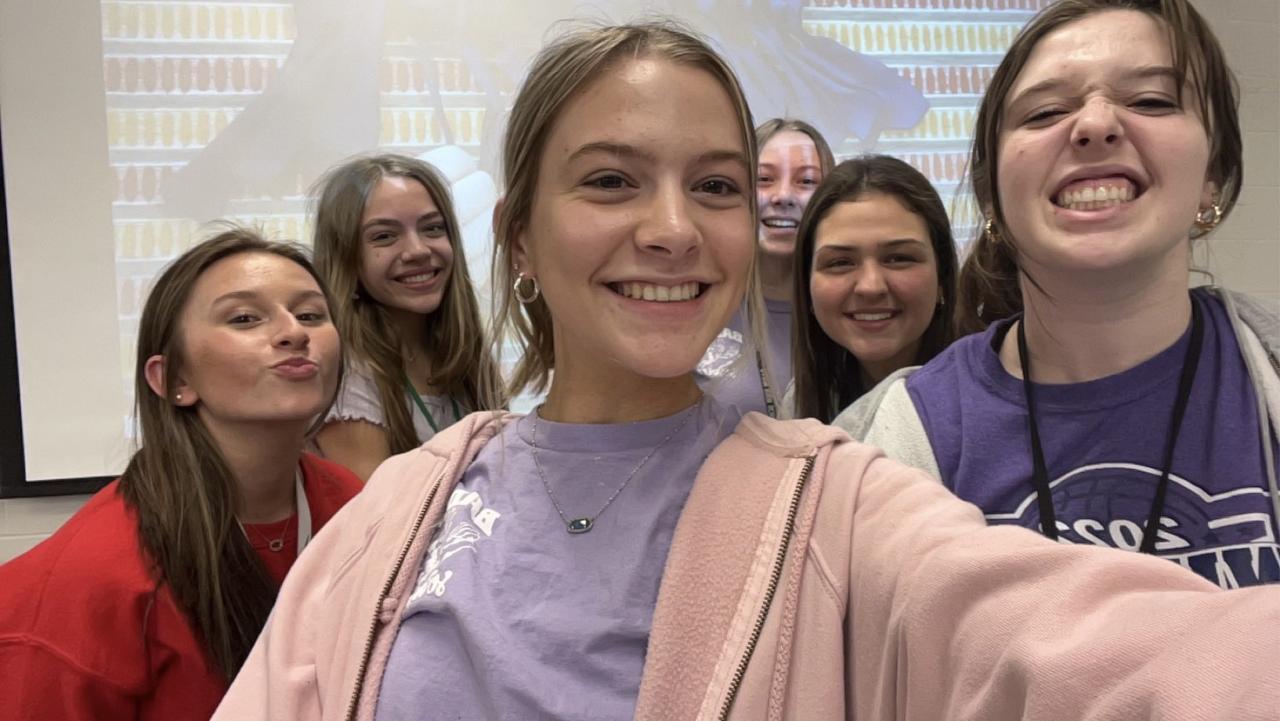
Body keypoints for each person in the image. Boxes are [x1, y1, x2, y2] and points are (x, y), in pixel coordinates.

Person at [213, 21, 1279, 721]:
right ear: (520, 235)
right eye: (611, 179)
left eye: (716, 187)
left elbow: (1095, 640)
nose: (673, 228)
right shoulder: (407, 502)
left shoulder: (832, 495)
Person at [839, 0, 1280, 589]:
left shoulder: (1266, 374)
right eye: (1045, 111)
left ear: (1212, 177)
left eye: (1152, 101)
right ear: (991, 198)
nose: (1095, 124)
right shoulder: (898, 438)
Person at [0, 228, 364, 720]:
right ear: (173, 379)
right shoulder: (88, 582)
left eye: (311, 315)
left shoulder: (352, 503)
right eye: (244, 318)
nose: (294, 333)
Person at [311, 154, 502, 480]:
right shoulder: (346, 374)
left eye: (432, 228)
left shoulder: (461, 354)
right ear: (346, 258)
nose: (418, 250)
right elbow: (377, 510)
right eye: (384, 236)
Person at [785, 154, 958, 423]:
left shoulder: (994, 397)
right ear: (807, 286)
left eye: (898, 258)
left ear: (942, 280)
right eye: (840, 262)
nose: (870, 286)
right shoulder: (801, 402)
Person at [696, 118, 834, 416]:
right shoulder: (696, 302)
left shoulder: (845, 308)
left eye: (806, 182)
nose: (783, 196)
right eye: (764, 179)